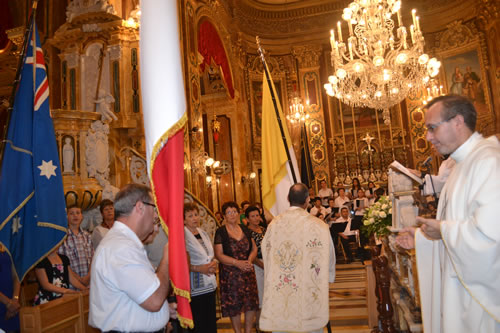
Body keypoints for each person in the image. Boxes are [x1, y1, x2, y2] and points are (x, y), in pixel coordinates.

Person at [396, 95, 500, 333]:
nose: (428, 137)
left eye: (432, 128)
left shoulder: (488, 161)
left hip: (478, 301)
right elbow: (460, 225)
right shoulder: (462, 164)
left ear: (458, 121)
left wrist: (442, 229)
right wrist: (424, 237)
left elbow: (492, 237)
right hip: (462, 290)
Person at [89, 184, 170, 332]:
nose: (156, 215)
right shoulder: (120, 247)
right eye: (154, 207)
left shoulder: (125, 243)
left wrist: (164, 313)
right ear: (140, 207)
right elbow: (154, 301)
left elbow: (133, 296)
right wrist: (168, 257)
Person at [260, 183, 336, 333]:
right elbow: (329, 255)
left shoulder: (274, 225)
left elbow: (266, 252)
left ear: (288, 198)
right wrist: (327, 277)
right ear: (308, 200)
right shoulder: (318, 225)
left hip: (282, 286)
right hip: (308, 285)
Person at [214, 201, 259, 333]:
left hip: (247, 271)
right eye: (229, 212)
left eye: (234, 211)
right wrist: (237, 263)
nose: (232, 214)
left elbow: (254, 248)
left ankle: (248, 331)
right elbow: (218, 254)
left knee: (250, 304)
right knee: (234, 305)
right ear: (224, 216)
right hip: (230, 275)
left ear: (239, 213)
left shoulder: (245, 229)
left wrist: (249, 261)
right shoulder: (221, 232)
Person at [184, 202, 217, 333]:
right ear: (183, 219)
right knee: (199, 321)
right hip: (195, 285)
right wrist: (199, 268)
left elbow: (210, 254)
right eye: (190, 216)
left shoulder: (202, 232)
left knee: (210, 320)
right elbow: (182, 262)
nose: (195, 218)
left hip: (210, 284)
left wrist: (213, 263)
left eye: (196, 215)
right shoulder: (182, 235)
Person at [59, 205, 93, 288]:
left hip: (89, 281)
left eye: (78, 213)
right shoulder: (62, 237)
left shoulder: (87, 235)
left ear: (82, 217)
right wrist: (78, 279)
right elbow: (62, 261)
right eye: (71, 213)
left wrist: (88, 276)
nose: (75, 215)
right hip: (71, 283)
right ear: (66, 217)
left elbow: (92, 257)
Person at [246, 205, 266, 332]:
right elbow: (250, 252)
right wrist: (262, 265)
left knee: (268, 296)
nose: (256, 218)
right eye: (252, 216)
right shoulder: (247, 232)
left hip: (268, 264)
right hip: (256, 265)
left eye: (257, 215)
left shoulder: (264, 230)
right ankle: (259, 324)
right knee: (259, 296)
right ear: (247, 219)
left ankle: (267, 322)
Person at [0, 244, 20, 332]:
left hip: (12, 301)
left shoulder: (7, 243)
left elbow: (16, 276)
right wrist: (8, 303)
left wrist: (14, 300)